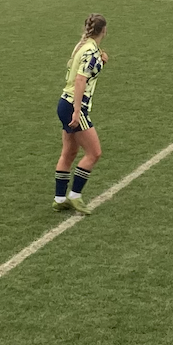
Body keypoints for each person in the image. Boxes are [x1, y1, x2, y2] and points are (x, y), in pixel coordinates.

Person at [52, 13, 108, 214]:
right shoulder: (91, 51)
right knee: (94, 153)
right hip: (75, 106)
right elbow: (80, 80)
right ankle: (75, 196)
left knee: (69, 152)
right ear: (104, 30)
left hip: (63, 103)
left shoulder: (82, 47)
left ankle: (59, 199)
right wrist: (77, 111)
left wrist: (102, 62)